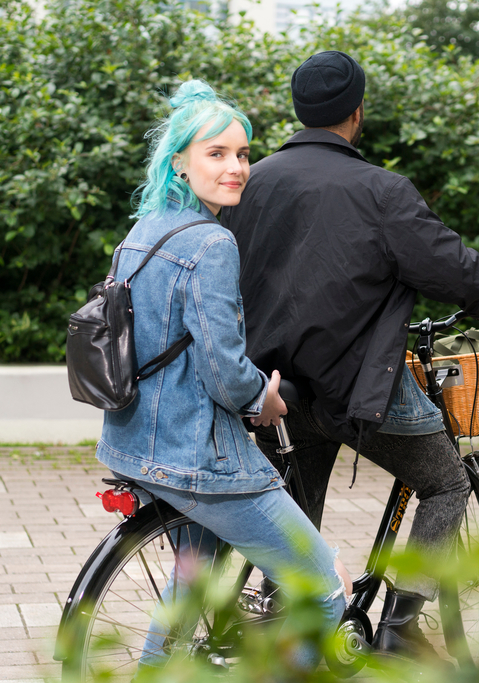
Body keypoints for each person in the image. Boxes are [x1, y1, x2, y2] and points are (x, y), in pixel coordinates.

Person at [221, 51, 479, 665]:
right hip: (357, 388)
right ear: (356, 114)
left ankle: (285, 625)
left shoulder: (250, 183)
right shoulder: (379, 190)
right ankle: (399, 627)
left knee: (293, 509)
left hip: (272, 390)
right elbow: (451, 265)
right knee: (445, 482)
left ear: (298, 109)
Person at [93, 79, 346, 673]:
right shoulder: (211, 243)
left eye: (242, 154)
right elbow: (225, 374)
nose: (235, 168)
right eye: (217, 154)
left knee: (186, 599)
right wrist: (268, 396)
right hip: (199, 459)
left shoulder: (142, 232)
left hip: (133, 446)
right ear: (179, 162)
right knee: (323, 587)